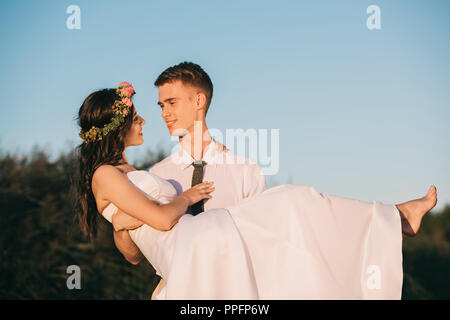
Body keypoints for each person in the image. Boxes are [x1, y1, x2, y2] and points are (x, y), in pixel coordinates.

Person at [75, 81, 437, 299]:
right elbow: (154, 228)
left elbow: (139, 230)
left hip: (198, 249)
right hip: (196, 247)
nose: (145, 120)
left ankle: (393, 218)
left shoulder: (128, 173)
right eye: (136, 116)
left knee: (294, 211)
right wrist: (185, 197)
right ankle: (396, 217)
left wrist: (125, 221)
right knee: (294, 205)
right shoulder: (106, 174)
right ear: (116, 125)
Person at [111, 63, 266, 298]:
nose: (164, 113)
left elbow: (262, 245)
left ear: (199, 101)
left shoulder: (245, 170)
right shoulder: (155, 175)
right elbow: (134, 256)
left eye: (172, 103)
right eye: (162, 105)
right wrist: (119, 228)